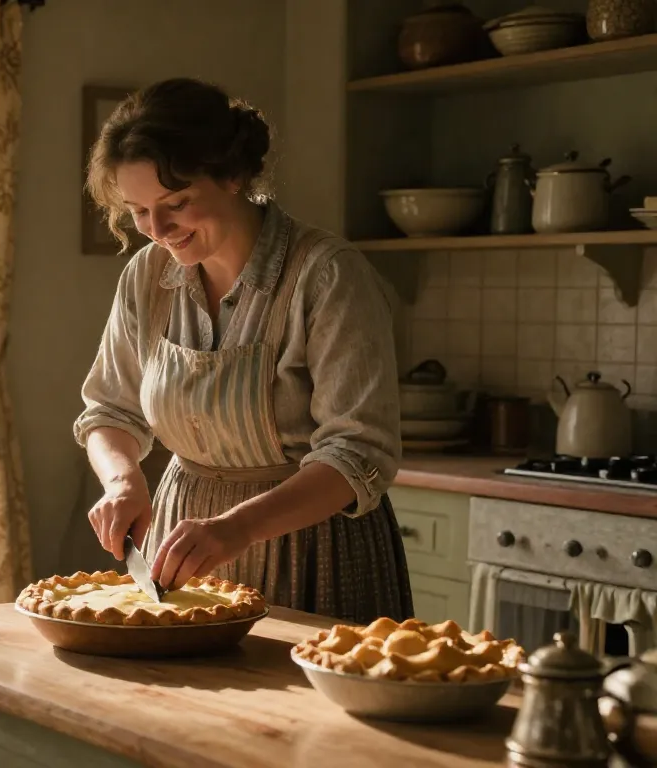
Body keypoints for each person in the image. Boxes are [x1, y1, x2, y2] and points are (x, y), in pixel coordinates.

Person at [74, 77, 413, 624]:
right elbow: (110, 411)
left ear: (232, 176)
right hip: (183, 544)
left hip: (312, 549)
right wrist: (122, 479)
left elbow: (357, 455)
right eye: (138, 212)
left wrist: (238, 528)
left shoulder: (326, 275)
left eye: (176, 203)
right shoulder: (148, 276)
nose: (157, 230)